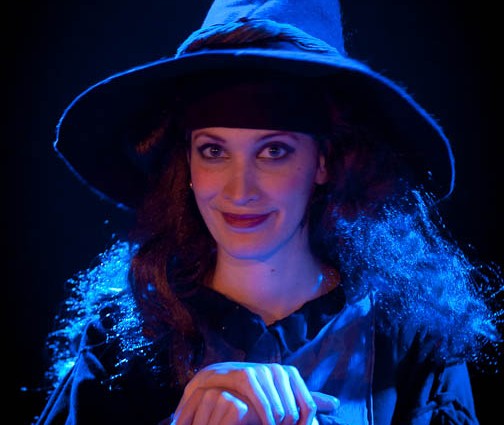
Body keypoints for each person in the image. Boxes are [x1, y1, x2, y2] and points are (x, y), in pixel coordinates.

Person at [33, 0, 502, 424]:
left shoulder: (408, 341)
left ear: (323, 162)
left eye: (274, 151)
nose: (240, 191)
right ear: (188, 164)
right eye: (214, 151)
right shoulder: (123, 341)